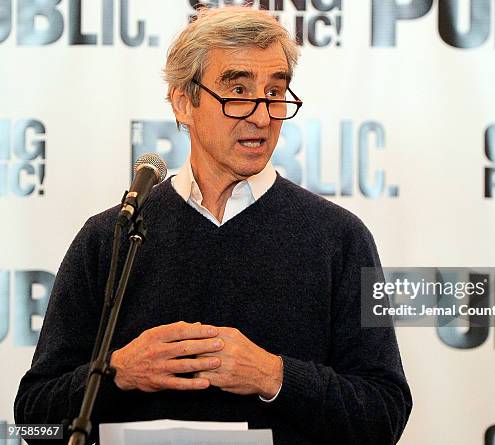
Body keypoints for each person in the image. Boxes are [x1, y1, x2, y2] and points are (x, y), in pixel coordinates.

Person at [14, 6, 412, 445]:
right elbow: (35, 422)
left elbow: (384, 416)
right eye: (238, 90)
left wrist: (274, 376)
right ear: (184, 101)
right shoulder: (112, 237)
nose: (261, 116)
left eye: (275, 92)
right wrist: (116, 374)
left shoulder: (339, 238)